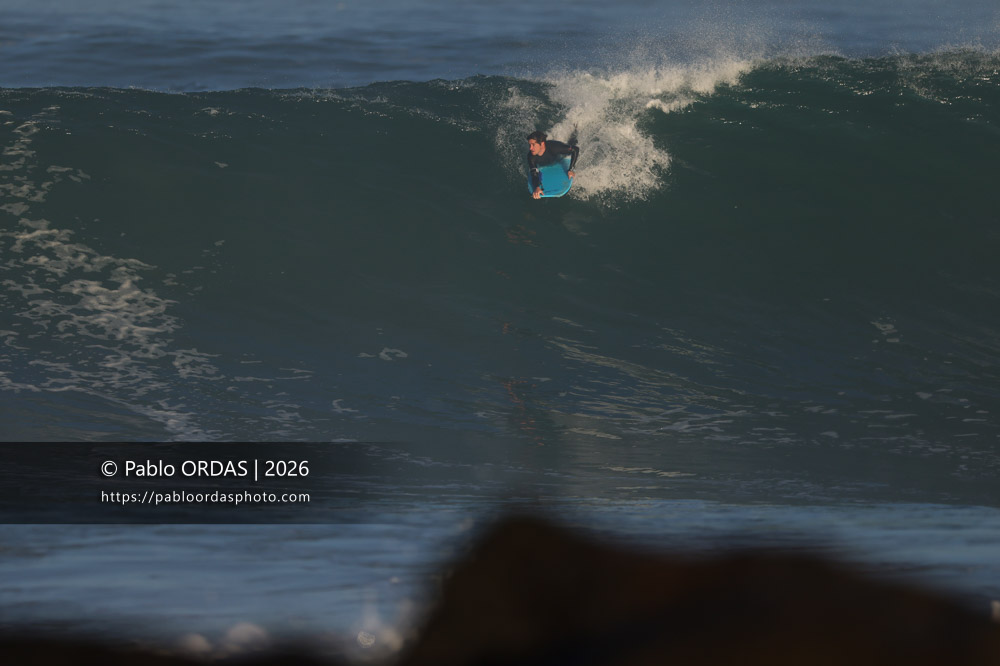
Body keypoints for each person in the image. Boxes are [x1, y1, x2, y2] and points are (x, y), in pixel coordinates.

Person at [526, 130, 579, 199]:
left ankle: (575, 130)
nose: (530, 148)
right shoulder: (531, 156)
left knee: (572, 143)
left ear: (542, 144)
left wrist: (571, 169)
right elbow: (534, 173)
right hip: (551, 160)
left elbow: (575, 149)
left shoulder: (554, 148)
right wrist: (537, 187)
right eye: (529, 145)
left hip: (560, 155)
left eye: (533, 145)